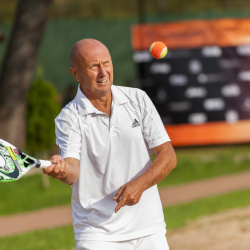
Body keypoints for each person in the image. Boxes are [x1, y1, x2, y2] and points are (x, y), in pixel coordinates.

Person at [43, 38, 177, 250]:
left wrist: (140, 184)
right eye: (93, 66)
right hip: (97, 234)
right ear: (75, 74)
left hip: (149, 229)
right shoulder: (68, 117)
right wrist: (61, 170)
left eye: (106, 63)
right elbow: (72, 172)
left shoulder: (138, 99)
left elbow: (168, 156)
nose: (103, 72)